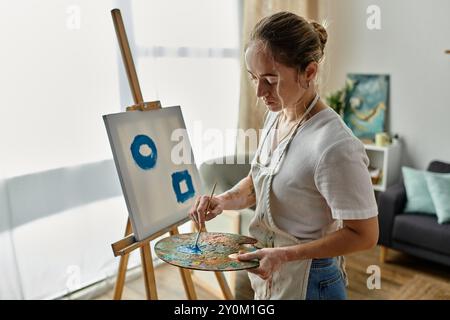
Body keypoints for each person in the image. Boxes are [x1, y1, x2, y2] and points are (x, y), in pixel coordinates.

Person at [188, 11, 379, 300]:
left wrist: (284, 255)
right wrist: (222, 200)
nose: (260, 92)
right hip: (272, 272)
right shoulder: (276, 117)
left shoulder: (335, 145)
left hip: (311, 283)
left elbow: (364, 234)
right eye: (254, 78)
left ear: (309, 72)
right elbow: (258, 181)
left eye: (270, 79)